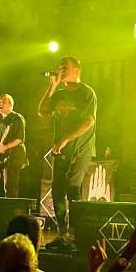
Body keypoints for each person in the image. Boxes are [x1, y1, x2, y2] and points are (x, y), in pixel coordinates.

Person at [38, 56, 96, 239]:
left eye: (65, 67)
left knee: (73, 187)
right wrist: (53, 86)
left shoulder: (87, 93)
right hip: (62, 149)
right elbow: (43, 111)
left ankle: (75, 231)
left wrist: (66, 139)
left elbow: (89, 122)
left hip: (81, 149)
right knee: (57, 189)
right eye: (60, 67)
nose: (61, 70)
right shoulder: (60, 94)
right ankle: (62, 232)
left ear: (77, 71)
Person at [0, 93, 28, 198]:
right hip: (1, 158)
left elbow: (20, 139)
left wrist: (6, 147)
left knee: (10, 188)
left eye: (3, 102)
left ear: (10, 104)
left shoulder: (17, 118)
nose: (0, 104)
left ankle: (11, 213)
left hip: (14, 157)